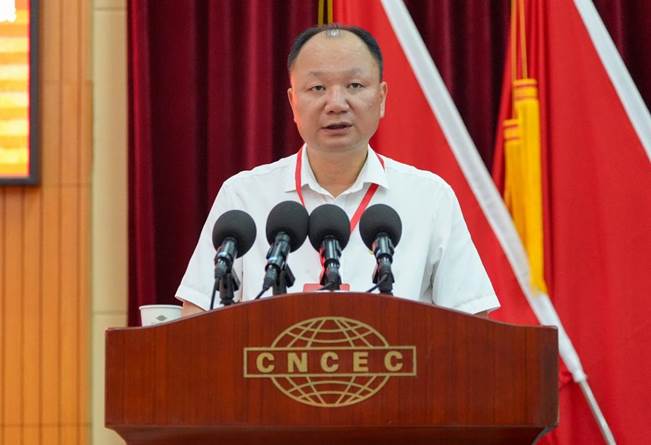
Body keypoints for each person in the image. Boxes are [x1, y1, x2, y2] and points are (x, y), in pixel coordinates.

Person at [177, 24, 499, 317]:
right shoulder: (243, 196)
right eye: (317, 88)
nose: (336, 103)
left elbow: (473, 327)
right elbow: (196, 318)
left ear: (382, 98)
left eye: (354, 85)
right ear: (292, 102)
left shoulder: (429, 198)